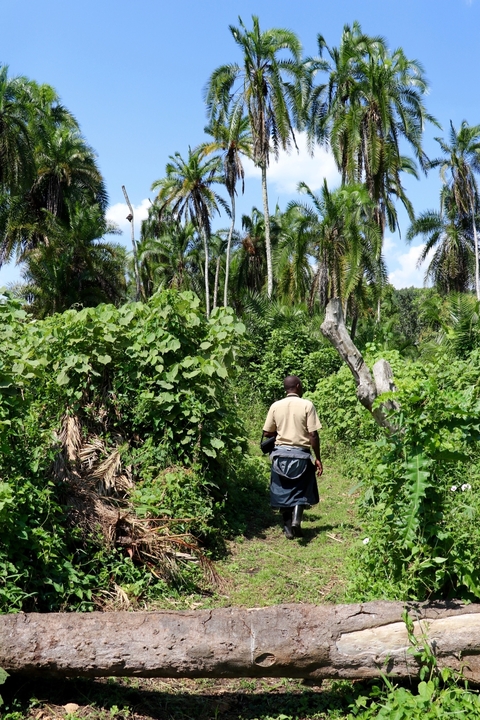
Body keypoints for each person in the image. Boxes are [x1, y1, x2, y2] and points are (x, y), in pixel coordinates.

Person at [262, 375, 323, 539]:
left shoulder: (275, 405)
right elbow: (313, 434)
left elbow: (267, 432)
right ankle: (297, 520)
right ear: (297, 386)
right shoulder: (307, 405)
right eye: (301, 385)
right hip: (301, 456)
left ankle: (288, 529)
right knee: (301, 489)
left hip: (280, 456)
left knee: (283, 490)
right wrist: (317, 458)